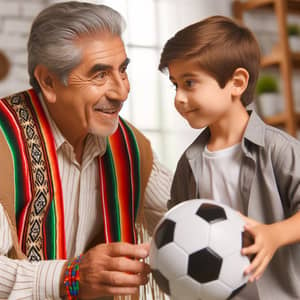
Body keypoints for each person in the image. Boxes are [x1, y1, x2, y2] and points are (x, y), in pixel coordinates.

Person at [0, 2, 172, 299]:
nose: (121, 92)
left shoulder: (130, 146)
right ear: (49, 82)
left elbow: (183, 214)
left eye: (123, 70)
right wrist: (69, 278)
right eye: (100, 75)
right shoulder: (4, 144)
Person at [158, 15, 300, 300]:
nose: (179, 98)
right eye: (175, 85)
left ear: (236, 83)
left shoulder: (279, 149)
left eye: (189, 82)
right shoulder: (190, 162)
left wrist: (274, 235)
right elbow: (177, 226)